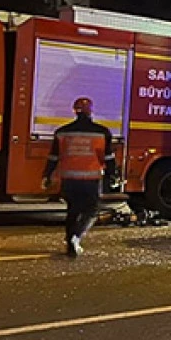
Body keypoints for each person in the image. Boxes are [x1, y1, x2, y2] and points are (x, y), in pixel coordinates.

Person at [42, 97, 117, 257]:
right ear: (91, 111)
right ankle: (76, 237)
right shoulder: (102, 132)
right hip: (90, 179)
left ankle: (70, 241)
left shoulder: (62, 132)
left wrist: (46, 175)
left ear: (74, 111)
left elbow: (53, 157)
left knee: (73, 210)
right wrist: (112, 175)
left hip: (69, 179)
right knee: (91, 210)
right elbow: (108, 157)